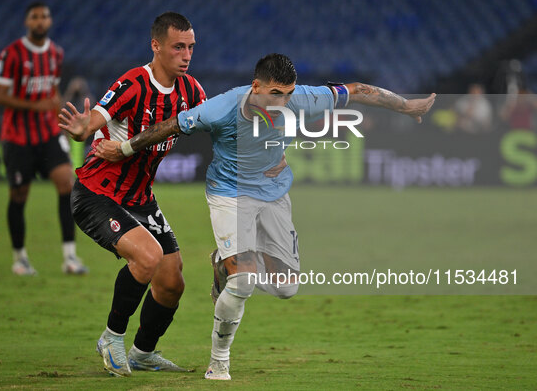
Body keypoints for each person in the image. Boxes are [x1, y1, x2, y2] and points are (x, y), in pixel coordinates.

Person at [74, 53, 436, 380]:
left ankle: (220, 266)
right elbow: (171, 125)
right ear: (256, 87)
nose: (284, 102)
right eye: (276, 94)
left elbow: (357, 90)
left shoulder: (303, 100)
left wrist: (406, 107)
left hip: (275, 196)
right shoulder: (223, 106)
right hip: (229, 195)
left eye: (289, 94)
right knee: (243, 282)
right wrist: (122, 148)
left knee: (286, 287)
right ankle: (218, 362)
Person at [58, 12, 206, 377]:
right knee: (148, 256)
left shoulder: (192, 92)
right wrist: (81, 130)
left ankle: (143, 352)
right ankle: (111, 337)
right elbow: (93, 119)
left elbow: (214, 123)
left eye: (190, 47)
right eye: (178, 47)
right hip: (97, 194)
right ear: (156, 46)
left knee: (172, 282)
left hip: (141, 199)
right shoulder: (133, 84)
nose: (186, 55)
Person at [0, 1, 87, 276]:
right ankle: (19, 258)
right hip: (18, 137)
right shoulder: (11, 54)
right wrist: (35, 106)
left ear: (50, 21)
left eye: (44, 16)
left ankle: (70, 257)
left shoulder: (56, 53)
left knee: (67, 183)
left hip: (47, 134)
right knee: (19, 194)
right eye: (35, 17)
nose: (40, 21)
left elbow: (52, 94)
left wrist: (62, 125)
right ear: (27, 22)